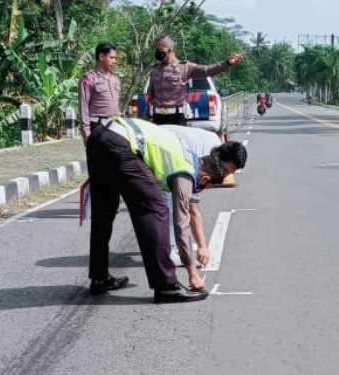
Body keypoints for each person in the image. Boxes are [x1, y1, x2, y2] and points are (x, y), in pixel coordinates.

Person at [86, 115, 243, 302]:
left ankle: (99, 277)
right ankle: (166, 286)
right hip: (120, 142)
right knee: (156, 210)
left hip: (100, 135)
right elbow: (181, 224)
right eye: (204, 187)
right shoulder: (185, 172)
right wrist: (192, 272)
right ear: (205, 179)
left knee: (104, 212)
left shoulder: (192, 155)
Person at [161, 125, 248, 268]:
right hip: (158, 149)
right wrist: (202, 247)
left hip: (163, 144)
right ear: (219, 157)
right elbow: (192, 208)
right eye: (225, 171)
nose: (223, 176)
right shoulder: (203, 159)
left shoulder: (214, 147)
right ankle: (171, 252)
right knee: (171, 201)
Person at [148, 34, 244, 125]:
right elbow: (150, 95)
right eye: (156, 50)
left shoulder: (185, 67)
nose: (157, 52)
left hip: (177, 117)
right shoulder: (155, 69)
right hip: (158, 117)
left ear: (170, 50)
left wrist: (227, 62)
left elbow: (207, 70)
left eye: (160, 49)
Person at [78, 42, 122, 143]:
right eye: (111, 58)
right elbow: (83, 109)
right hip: (98, 128)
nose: (114, 61)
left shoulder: (115, 78)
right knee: (98, 158)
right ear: (101, 56)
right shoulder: (88, 78)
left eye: (115, 58)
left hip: (115, 127)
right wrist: (87, 135)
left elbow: (117, 106)